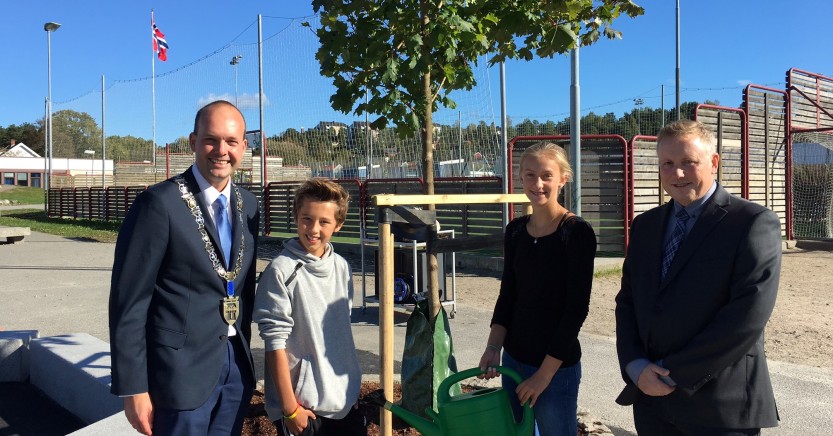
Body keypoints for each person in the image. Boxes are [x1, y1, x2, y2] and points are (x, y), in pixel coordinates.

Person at [614, 119, 781, 435]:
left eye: (688, 162)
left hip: (720, 408)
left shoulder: (752, 222)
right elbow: (628, 302)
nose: (677, 173)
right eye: (668, 163)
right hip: (652, 404)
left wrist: (672, 372)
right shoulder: (645, 226)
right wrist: (634, 366)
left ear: (714, 162)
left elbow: (747, 316)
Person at [109, 100, 259, 435]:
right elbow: (128, 303)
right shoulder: (159, 204)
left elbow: (244, 285)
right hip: (179, 373)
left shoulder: (248, 205)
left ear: (244, 147)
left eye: (232, 142)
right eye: (211, 140)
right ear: (193, 141)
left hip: (235, 367)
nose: (221, 151)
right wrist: (133, 387)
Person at [478, 142, 597, 436]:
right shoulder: (516, 231)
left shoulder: (576, 232)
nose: (538, 183)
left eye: (546, 175)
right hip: (514, 361)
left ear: (562, 179)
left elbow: (576, 310)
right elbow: (508, 296)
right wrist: (493, 347)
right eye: (530, 175)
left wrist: (544, 376)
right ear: (520, 178)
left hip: (556, 369)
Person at [254, 178, 365, 436]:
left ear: (338, 225)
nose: (314, 229)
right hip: (305, 410)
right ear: (296, 217)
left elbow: (341, 334)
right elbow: (274, 346)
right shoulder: (280, 271)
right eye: (307, 219)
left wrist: (350, 389)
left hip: (346, 403)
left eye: (324, 222)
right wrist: (291, 409)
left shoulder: (341, 267)